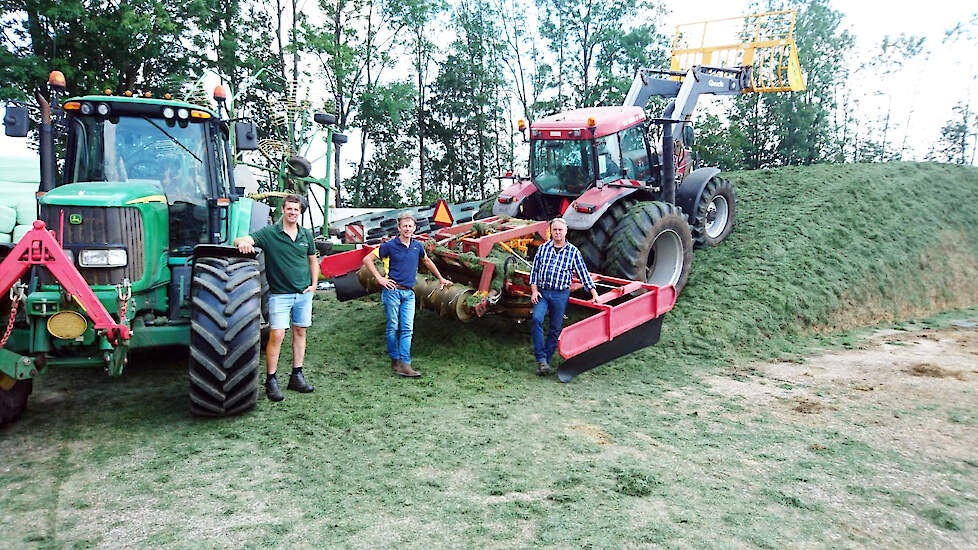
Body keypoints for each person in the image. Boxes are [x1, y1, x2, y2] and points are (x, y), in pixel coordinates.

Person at [234, 195, 319, 401]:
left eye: (296, 210)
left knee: (300, 332)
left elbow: (312, 260)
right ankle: (271, 380)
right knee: (278, 335)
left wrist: (314, 284)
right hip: (280, 295)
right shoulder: (270, 234)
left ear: (300, 213)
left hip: (303, 294)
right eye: (289, 209)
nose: (292, 212)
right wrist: (242, 243)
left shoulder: (305, 235)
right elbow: (241, 239)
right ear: (283, 209)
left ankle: (296, 376)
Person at [362, 212, 452, 377]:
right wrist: (380, 279)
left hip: (409, 293)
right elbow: (367, 259)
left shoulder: (417, 246)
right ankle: (395, 359)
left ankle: (405, 364)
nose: (407, 229)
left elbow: (426, 261)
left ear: (414, 228)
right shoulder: (389, 245)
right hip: (392, 292)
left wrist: (441, 279)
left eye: (410, 226)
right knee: (392, 327)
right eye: (404, 226)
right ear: (399, 228)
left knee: (407, 329)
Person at [529, 217, 600, 376]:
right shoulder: (543, 249)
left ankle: (545, 362)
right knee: (536, 319)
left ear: (566, 231)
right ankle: (540, 358)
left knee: (555, 328)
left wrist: (595, 294)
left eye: (560, 230)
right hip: (543, 292)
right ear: (551, 231)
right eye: (554, 230)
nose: (557, 233)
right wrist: (534, 291)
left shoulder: (573, 252)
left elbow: (583, 275)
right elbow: (534, 271)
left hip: (560, 295)